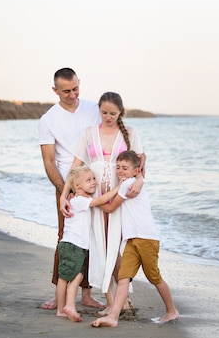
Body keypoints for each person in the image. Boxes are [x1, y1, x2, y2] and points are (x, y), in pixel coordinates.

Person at [59, 91, 146, 312]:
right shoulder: (88, 133)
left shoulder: (130, 133)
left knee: (116, 247)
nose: (108, 117)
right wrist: (63, 194)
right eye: (104, 112)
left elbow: (140, 166)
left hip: (120, 198)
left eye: (113, 113)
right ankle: (112, 301)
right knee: (101, 247)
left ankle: (122, 299)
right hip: (95, 199)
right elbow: (75, 167)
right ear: (99, 110)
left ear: (120, 113)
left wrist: (140, 181)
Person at [38, 67, 104, 310]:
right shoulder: (48, 120)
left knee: (92, 238)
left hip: (96, 184)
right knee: (65, 238)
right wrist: (65, 191)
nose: (72, 94)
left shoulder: (93, 109)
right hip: (66, 186)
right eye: (66, 91)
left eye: (76, 88)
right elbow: (48, 161)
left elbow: (110, 134)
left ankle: (86, 295)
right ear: (55, 90)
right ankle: (59, 294)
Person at [91, 151, 179, 328]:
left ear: (135, 170)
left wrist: (88, 202)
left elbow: (110, 208)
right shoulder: (134, 181)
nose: (120, 171)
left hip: (146, 239)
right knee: (123, 277)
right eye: (118, 167)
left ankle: (171, 311)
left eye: (125, 168)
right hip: (131, 240)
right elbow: (142, 156)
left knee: (154, 277)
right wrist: (139, 173)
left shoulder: (128, 185)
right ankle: (113, 316)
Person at [56, 166, 122, 322]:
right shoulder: (80, 200)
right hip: (74, 244)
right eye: (88, 180)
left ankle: (64, 307)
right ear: (77, 186)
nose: (93, 182)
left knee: (68, 277)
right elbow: (101, 200)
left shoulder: (76, 199)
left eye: (93, 179)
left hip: (72, 244)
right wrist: (118, 188)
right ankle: (66, 307)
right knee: (72, 276)